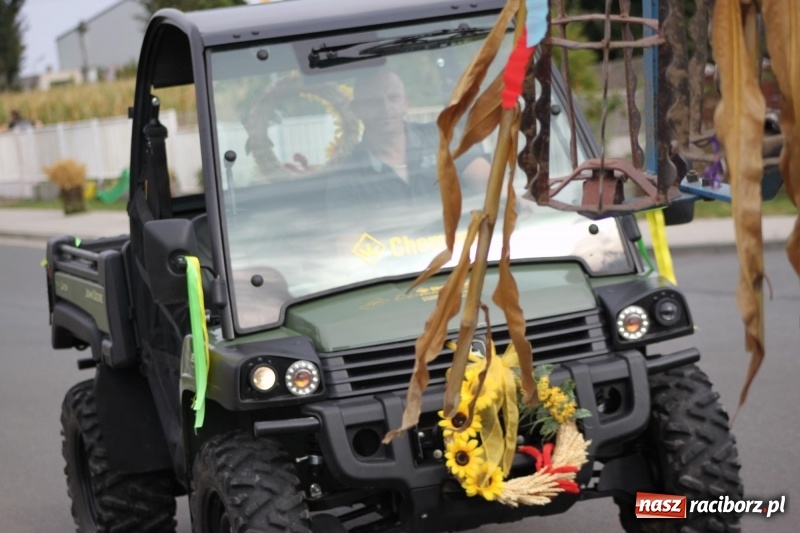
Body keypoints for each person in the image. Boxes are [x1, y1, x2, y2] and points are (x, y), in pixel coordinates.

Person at [326, 68, 491, 212]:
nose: (385, 107)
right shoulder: (346, 179)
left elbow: (493, 188)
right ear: (356, 109)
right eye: (373, 101)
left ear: (405, 104)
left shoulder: (443, 140)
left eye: (393, 98)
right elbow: (347, 243)